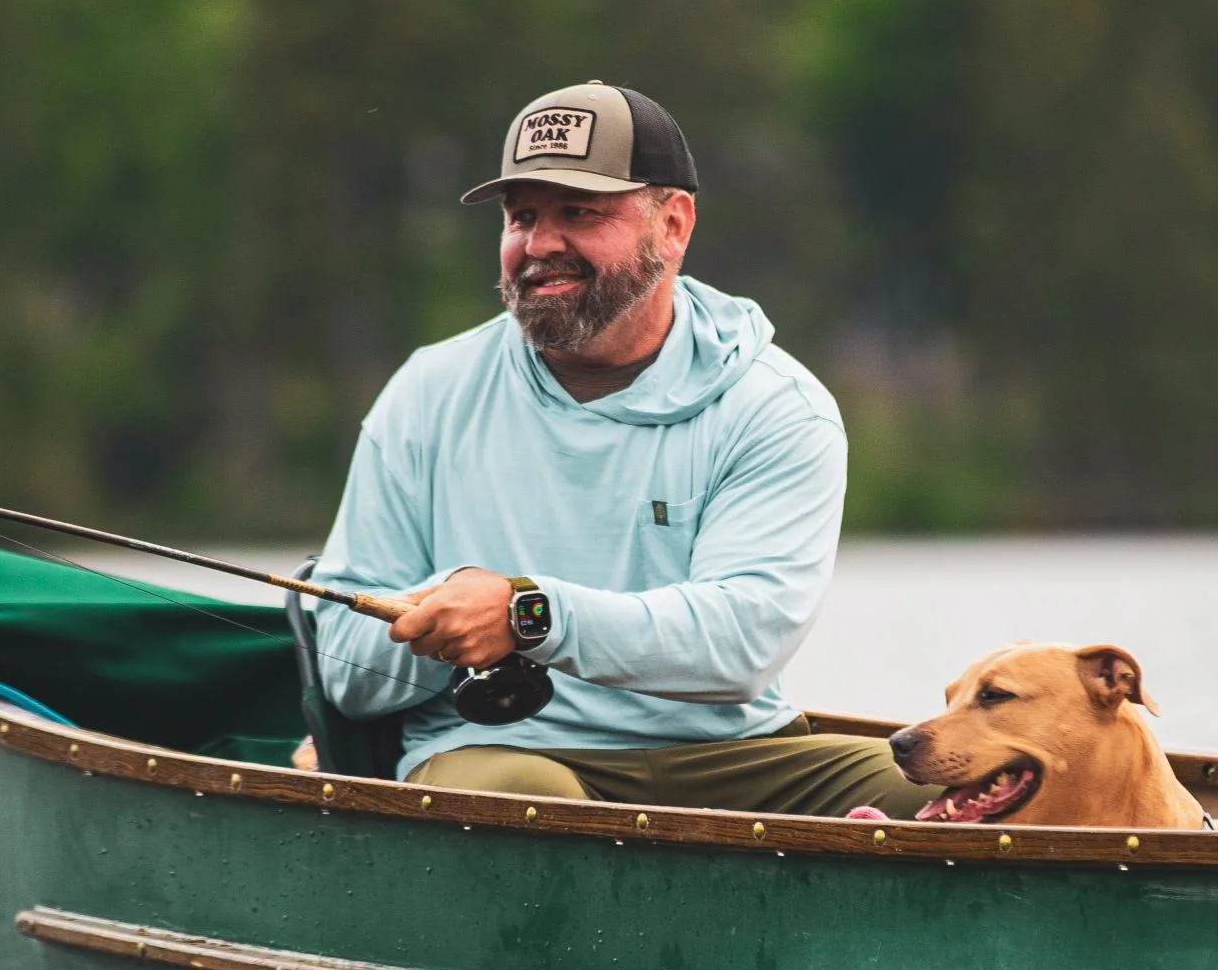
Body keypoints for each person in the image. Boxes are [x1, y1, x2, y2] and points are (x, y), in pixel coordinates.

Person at [309, 81, 934, 817]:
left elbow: (742, 645)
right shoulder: (427, 391)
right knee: (529, 803)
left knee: (964, 792)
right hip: (503, 754)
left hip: (735, 756)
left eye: (579, 212)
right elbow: (343, 668)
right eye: (522, 217)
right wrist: (446, 608)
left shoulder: (776, 405)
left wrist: (525, 614)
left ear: (673, 225)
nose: (540, 244)